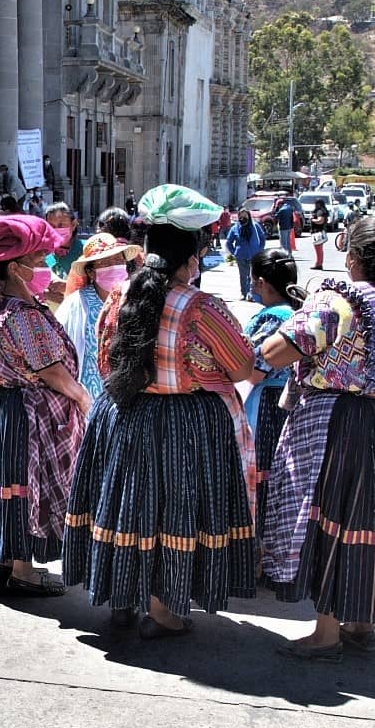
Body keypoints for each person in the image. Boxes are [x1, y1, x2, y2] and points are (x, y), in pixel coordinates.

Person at [63, 222, 257, 637]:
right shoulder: (201, 307)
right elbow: (243, 367)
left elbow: (104, 363)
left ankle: (121, 597)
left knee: (126, 506)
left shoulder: (118, 297)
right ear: (190, 262)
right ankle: (164, 610)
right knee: (174, 511)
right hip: (185, 422)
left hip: (123, 413)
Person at [260, 216, 375, 661]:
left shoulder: (338, 303)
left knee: (333, 516)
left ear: (353, 257)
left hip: (343, 421)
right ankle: (362, 623)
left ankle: (326, 632)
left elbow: (278, 352)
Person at [0, 215, 90, 596]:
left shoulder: (16, 307)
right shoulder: (22, 316)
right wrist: (84, 398)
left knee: (12, 484)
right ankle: (22, 569)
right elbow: (50, 369)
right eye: (37, 262)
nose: (43, 269)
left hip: (11, 411)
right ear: (15, 269)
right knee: (24, 486)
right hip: (25, 416)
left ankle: (6, 562)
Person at [242, 249, 302, 547]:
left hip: (265, 404)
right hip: (287, 401)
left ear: (263, 282)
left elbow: (253, 369)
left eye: (253, 281)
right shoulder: (297, 313)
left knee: (261, 473)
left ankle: (259, 549)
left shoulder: (271, 318)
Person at [55, 233, 141, 399]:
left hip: (130, 395)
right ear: (91, 272)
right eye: (105, 263)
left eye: (118, 261)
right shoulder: (76, 305)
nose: (114, 266)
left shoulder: (134, 298)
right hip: (91, 397)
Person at [225, 208, 266, 301]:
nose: (243, 218)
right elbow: (229, 242)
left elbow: (262, 238)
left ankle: (251, 294)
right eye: (241, 216)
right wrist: (234, 252)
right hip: (241, 256)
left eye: (245, 216)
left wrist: (260, 249)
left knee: (253, 276)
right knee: (243, 276)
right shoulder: (235, 228)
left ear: (249, 216)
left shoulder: (255, 226)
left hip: (254, 255)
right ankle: (244, 293)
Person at [310, 199, 329, 270]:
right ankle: (319, 263)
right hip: (319, 231)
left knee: (318, 249)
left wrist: (312, 220)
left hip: (318, 231)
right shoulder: (323, 211)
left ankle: (318, 264)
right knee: (319, 249)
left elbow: (320, 221)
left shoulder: (320, 211)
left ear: (318, 204)